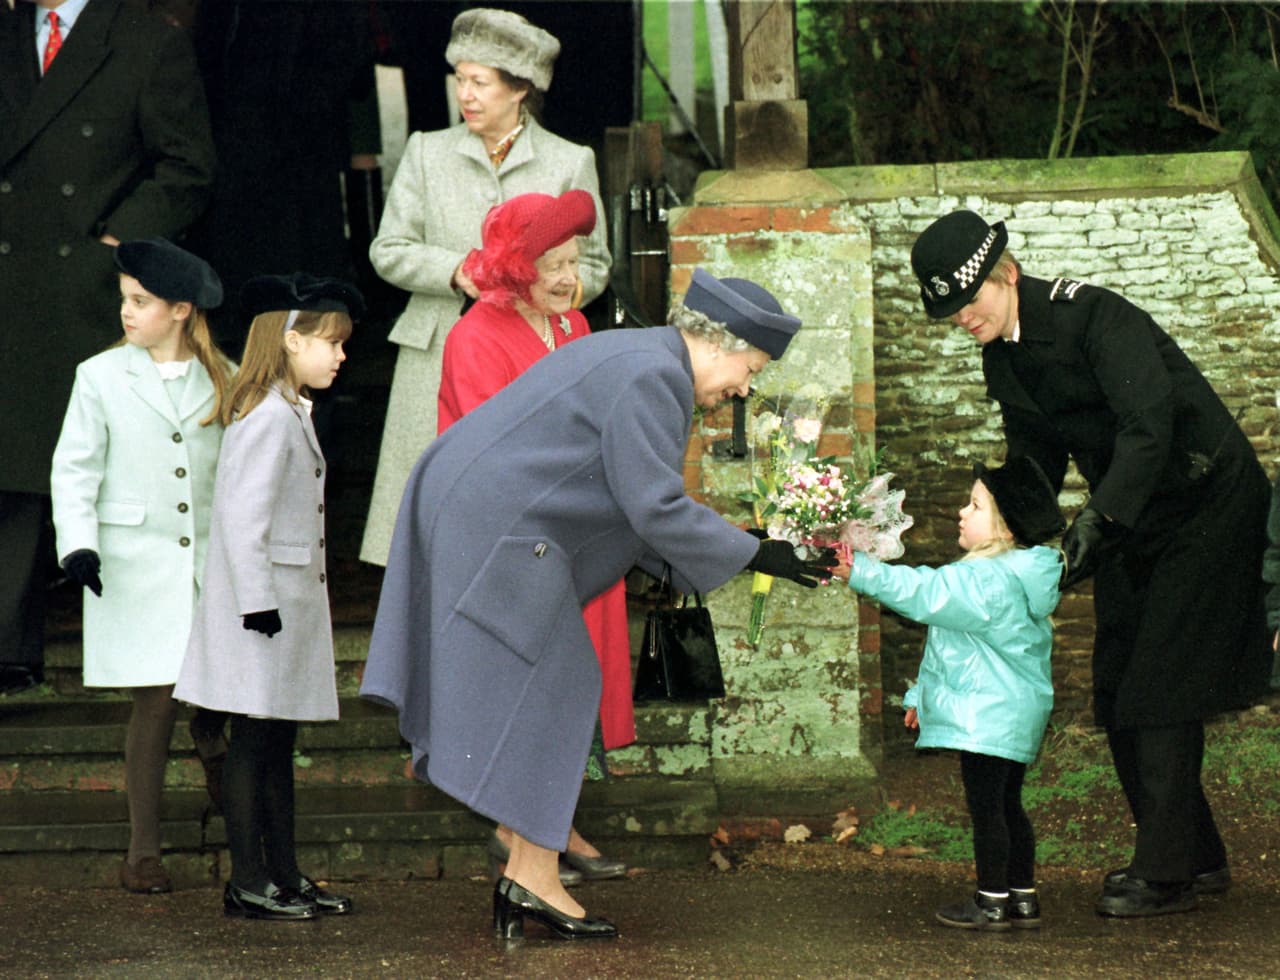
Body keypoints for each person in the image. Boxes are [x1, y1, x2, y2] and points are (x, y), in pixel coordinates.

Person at [361, 268, 837, 940]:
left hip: (486, 515)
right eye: (751, 367)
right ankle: (533, 878)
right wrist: (758, 553)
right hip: (498, 525)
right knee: (557, 682)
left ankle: (529, 876)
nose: (745, 387)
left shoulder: (639, 355)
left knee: (556, 684)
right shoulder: (656, 376)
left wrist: (747, 545)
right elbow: (654, 506)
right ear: (720, 344)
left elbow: (622, 502)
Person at [911, 210, 1272, 918]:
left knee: (1162, 682)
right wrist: (1018, 541)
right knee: (1116, 679)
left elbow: (1149, 426)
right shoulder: (1002, 358)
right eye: (949, 311)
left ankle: (1165, 873)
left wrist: (1098, 522)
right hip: (1134, 517)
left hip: (1206, 502)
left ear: (1006, 275)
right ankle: (1197, 858)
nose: (961, 319)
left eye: (968, 302)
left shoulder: (1097, 318)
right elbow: (1034, 461)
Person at [0, 0, 215, 695]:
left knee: (53, 458)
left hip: (87, 289)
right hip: (11, 277)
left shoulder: (148, 40)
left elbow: (188, 164)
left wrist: (119, 244)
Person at [360, 6, 612, 567]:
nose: (465, 94)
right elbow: (388, 250)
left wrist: (542, 299)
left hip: (531, 360)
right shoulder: (427, 152)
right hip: (434, 354)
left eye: (480, 82)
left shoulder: (570, 161)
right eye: (460, 79)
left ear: (519, 88)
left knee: (519, 526)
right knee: (431, 530)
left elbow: (594, 266)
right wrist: (459, 270)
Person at [439, 189, 629, 885]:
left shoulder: (575, 326)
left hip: (576, 534)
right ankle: (516, 829)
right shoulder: (475, 336)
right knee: (525, 685)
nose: (565, 275)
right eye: (550, 261)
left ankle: (555, 822)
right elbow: (497, 450)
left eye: (574, 260)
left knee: (571, 684)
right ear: (514, 265)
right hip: (513, 543)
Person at [173, 272, 362, 921]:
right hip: (263, 615)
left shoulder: (287, 411)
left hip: (281, 611)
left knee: (277, 744)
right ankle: (249, 879)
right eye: (330, 343)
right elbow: (240, 520)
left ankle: (283, 874)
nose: (340, 355)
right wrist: (257, 603)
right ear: (288, 341)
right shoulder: (266, 418)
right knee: (255, 745)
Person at [49, 238, 230, 894]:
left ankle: (234, 807)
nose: (126, 312)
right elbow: (75, 467)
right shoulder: (100, 376)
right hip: (134, 565)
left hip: (208, 568)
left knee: (216, 702)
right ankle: (142, 851)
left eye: (141, 302)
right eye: (125, 299)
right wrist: (79, 543)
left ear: (180, 310)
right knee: (155, 701)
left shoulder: (224, 377)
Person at [835, 457, 1065, 930]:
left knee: (987, 809)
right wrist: (922, 695)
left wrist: (858, 568)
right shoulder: (1022, 575)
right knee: (1008, 804)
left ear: (1003, 530)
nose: (962, 512)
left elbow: (922, 592)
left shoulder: (983, 578)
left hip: (986, 717)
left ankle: (990, 900)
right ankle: (1022, 896)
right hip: (1014, 712)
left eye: (975, 505)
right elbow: (955, 648)